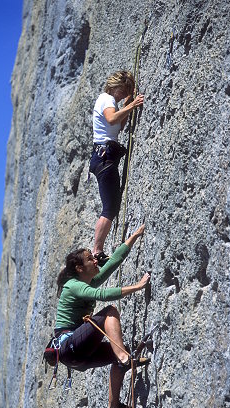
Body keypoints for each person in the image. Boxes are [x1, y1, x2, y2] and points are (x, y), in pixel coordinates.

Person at [55, 224, 150, 408]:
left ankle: (113, 407)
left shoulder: (86, 281)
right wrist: (138, 287)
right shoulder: (73, 286)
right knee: (110, 312)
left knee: (118, 352)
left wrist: (133, 236)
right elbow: (103, 295)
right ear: (80, 268)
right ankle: (125, 360)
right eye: (90, 258)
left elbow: (112, 263)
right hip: (69, 346)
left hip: (76, 354)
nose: (95, 259)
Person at [89, 70, 144, 266]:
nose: (122, 94)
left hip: (104, 157)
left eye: (126, 91)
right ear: (114, 86)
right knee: (109, 207)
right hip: (105, 157)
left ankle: (98, 249)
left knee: (111, 206)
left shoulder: (110, 101)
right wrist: (132, 104)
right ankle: (97, 250)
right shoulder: (106, 98)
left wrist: (128, 104)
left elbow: (118, 126)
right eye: (123, 89)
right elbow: (112, 119)